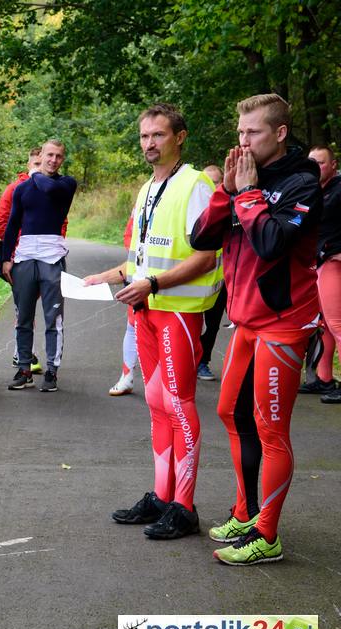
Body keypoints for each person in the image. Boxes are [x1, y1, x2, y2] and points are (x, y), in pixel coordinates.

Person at [191, 93, 323, 565]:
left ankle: (267, 535)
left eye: (253, 133)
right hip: (246, 320)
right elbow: (201, 239)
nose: (242, 142)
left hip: (283, 324)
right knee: (230, 413)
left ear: (280, 133)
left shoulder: (302, 183)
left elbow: (270, 243)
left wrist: (246, 195)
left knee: (271, 429)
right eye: (240, 132)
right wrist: (227, 192)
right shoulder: (246, 179)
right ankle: (248, 512)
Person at [85, 103, 219, 540]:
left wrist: (154, 284)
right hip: (146, 311)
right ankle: (163, 495)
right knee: (157, 404)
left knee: (179, 406)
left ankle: (185, 506)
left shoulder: (197, 185)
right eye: (144, 136)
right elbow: (139, 258)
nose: (149, 143)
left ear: (179, 137)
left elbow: (206, 256)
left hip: (178, 312)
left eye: (158, 135)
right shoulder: (146, 189)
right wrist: (109, 275)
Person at [1, 140, 77, 392]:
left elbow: (46, 187)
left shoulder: (66, 184)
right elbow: (12, 225)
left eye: (58, 156)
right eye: (49, 155)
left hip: (52, 257)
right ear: (41, 155)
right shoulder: (22, 190)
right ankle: (24, 369)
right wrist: (6, 259)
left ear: (62, 160)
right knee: (23, 317)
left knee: (53, 317)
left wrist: (34, 173)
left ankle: (52, 372)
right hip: (24, 257)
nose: (53, 160)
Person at [0, 149, 49, 374]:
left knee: (39, 308)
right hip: (21, 259)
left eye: (42, 162)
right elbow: (1, 221)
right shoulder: (15, 189)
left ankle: (27, 353)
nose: (39, 167)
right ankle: (21, 355)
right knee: (23, 308)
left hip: (47, 258)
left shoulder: (51, 188)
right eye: (35, 163)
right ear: (29, 164)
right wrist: (17, 248)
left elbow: (61, 221)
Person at [304, 146, 341, 403]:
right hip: (318, 263)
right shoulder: (315, 190)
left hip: (333, 263)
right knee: (324, 325)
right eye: (311, 163)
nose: (316, 167)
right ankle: (324, 379)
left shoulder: (339, 189)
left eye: (321, 163)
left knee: (338, 325)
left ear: (333, 165)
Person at [196, 164, 228, 382]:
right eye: (207, 180)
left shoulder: (230, 207)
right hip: (194, 277)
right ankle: (188, 359)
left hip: (221, 279)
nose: (211, 185)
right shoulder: (194, 207)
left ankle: (203, 361)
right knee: (192, 323)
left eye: (216, 181)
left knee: (213, 323)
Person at [108, 216, 139, 396]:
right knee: (132, 325)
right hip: (139, 271)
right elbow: (130, 233)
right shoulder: (145, 194)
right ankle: (126, 376)